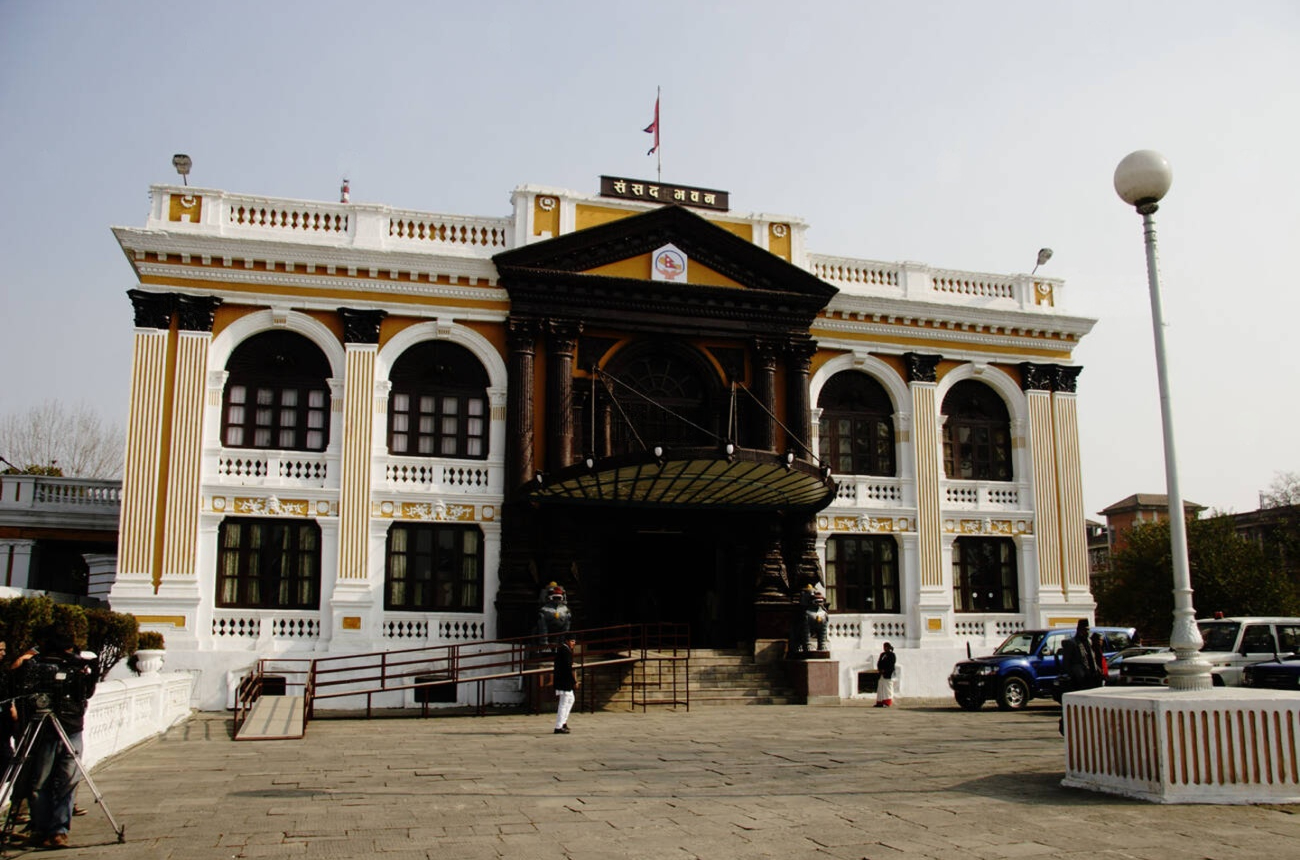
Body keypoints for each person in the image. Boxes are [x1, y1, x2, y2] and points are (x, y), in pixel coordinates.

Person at [11, 629, 97, 850]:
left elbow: (85, 694)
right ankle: (42, 830)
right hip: (46, 730)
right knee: (43, 782)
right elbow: (19, 689)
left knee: (67, 780)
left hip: (70, 728)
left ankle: (58, 831)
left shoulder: (74, 667)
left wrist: (89, 674)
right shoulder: (36, 666)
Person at [552, 635, 577, 735]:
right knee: (563, 703)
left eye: (574, 641)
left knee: (571, 699)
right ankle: (558, 726)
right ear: (567, 641)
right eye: (572, 641)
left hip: (564, 680)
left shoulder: (565, 650)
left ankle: (563, 722)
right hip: (563, 681)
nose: (574, 643)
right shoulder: (564, 650)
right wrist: (574, 681)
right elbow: (567, 668)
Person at [874, 642, 897, 707]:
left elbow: (891, 664)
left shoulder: (892, 655)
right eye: (884, 647)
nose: (884, 648)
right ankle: (880, 702)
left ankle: (887, 702)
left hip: (888, 674)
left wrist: (885, 670)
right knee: (880, 688)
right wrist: (880, 669)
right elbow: (879, 662)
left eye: (885, 647)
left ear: (888, 647)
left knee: (887, 689)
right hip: (881, 674)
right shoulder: (882, 654)